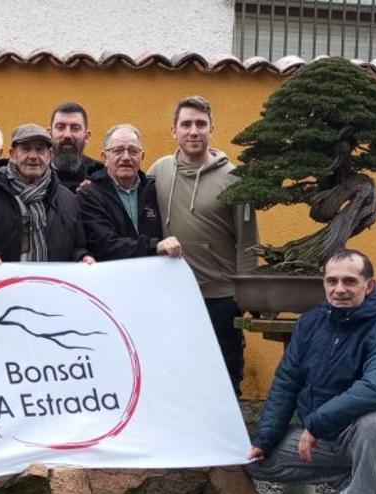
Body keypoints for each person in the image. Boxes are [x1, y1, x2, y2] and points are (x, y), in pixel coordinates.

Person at [246, 249, 376, 494]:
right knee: (251, 460)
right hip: (324, 436)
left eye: (349, 281)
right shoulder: (309, 323)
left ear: (369, 286)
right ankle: (353, 483)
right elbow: (287, 383)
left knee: (375, 423)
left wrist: (316, 424)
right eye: (331, 281)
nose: (339, 289)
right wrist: (264, 439)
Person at [147, 95, 258, 397]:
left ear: (212, 128)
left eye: (200, 124)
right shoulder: (158, 172)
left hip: (221, 297)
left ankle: (230, 428)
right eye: (186, 124)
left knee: (224, 376)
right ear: (174, 130)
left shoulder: (235, 179)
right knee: (175, 375)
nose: (193, 131)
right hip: (171, 295)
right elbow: (126, 196)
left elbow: (248, 241)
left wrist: (246, 294)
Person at [0, 124, 93, 264]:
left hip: (50, 278)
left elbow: (77, 246)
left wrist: (82, 257)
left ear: (50, 155)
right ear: (13, 155)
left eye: (40, 149)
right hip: (2, 277)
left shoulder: (67, 199)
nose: (33, 156)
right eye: (26, 149)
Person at [78, 124, 182, 260]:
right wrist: (153, 246)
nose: (126, 157)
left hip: (151, 271)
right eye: (118, 150)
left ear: (142, 157)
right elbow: (104, 245)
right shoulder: (89, 194)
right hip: (111, 272)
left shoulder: (152, 190)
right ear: (104, 157)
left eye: (133, 151)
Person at [49, 102, 102, 193]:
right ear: (49, 134)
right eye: (60, 127)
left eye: (75, 128)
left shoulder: (100, 174)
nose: (67, 135)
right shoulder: (36, 175)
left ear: (86, 136)